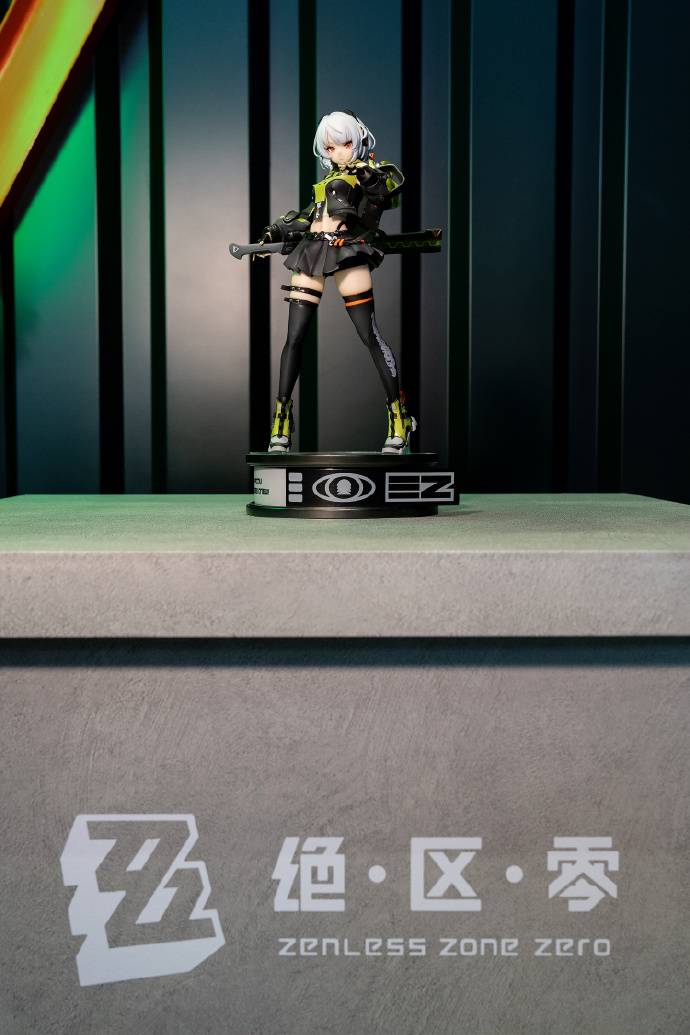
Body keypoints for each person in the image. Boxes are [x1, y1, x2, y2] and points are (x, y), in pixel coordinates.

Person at [258, 110, 415, 454]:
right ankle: (281, 420)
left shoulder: (371, 173)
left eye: (344, 144)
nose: (338, 152)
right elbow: (308, 216)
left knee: (369, 335)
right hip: (312, 251)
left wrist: (367, 175)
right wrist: (274, 232)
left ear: (357, 140)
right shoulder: (328, 181)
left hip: (347, 250)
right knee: (294, 338)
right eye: (330, 147)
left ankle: (399, 418)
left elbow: (389, 192)